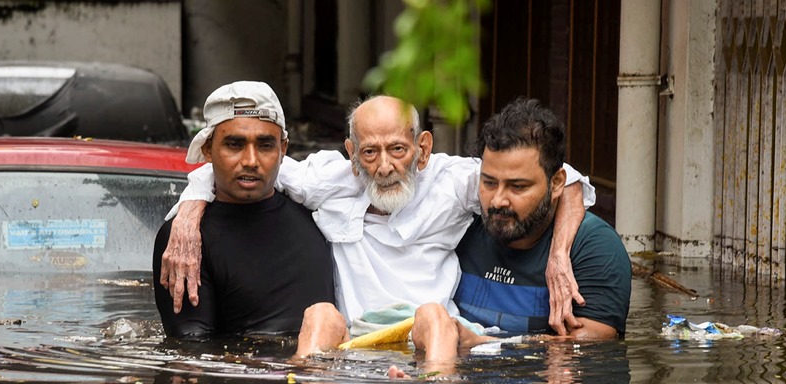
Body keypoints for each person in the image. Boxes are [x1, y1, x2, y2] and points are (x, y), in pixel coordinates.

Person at [159, 95, 596, 351]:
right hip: (351, 347)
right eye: (369, 152)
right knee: (320, 318)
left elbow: (570, 182)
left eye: (397, 150)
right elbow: (241, 170)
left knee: (432, 318)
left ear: (422, 148)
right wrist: (189, 214)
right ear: (351, 153)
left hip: (433, 342)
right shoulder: (327, 178)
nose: (384, 166)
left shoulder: (456, 180)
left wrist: (557, 256)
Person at [407, 98, 632, 364]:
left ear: (557, 182)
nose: (498, 200)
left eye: (518, 187)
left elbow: (593, 344)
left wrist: (485, 345)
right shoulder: (459, 222)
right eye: (489, 183)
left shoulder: (594, 247)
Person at [151, 81, 335, 338]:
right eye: (234, 145)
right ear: (207, 149)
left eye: (265, 145)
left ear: (283, 149)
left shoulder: (320, 211)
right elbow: (191, 358)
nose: (250, 161)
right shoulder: (185, 242)